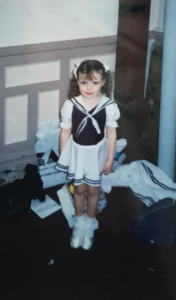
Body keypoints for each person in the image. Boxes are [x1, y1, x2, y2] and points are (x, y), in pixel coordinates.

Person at [56, 59, 120, 250]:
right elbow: (65, 131)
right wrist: (64, 157)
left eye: (94, 82)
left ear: (103, 83)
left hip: (96, 154)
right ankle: (79, 224)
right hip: (77, 153)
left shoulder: (108, 106)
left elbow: (111, 133)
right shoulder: (71, 104)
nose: (89, 87)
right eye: (84, 82)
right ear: (77, 82)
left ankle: (90, 225)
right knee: (79, 189)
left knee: (93, 190)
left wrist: (110, 158)